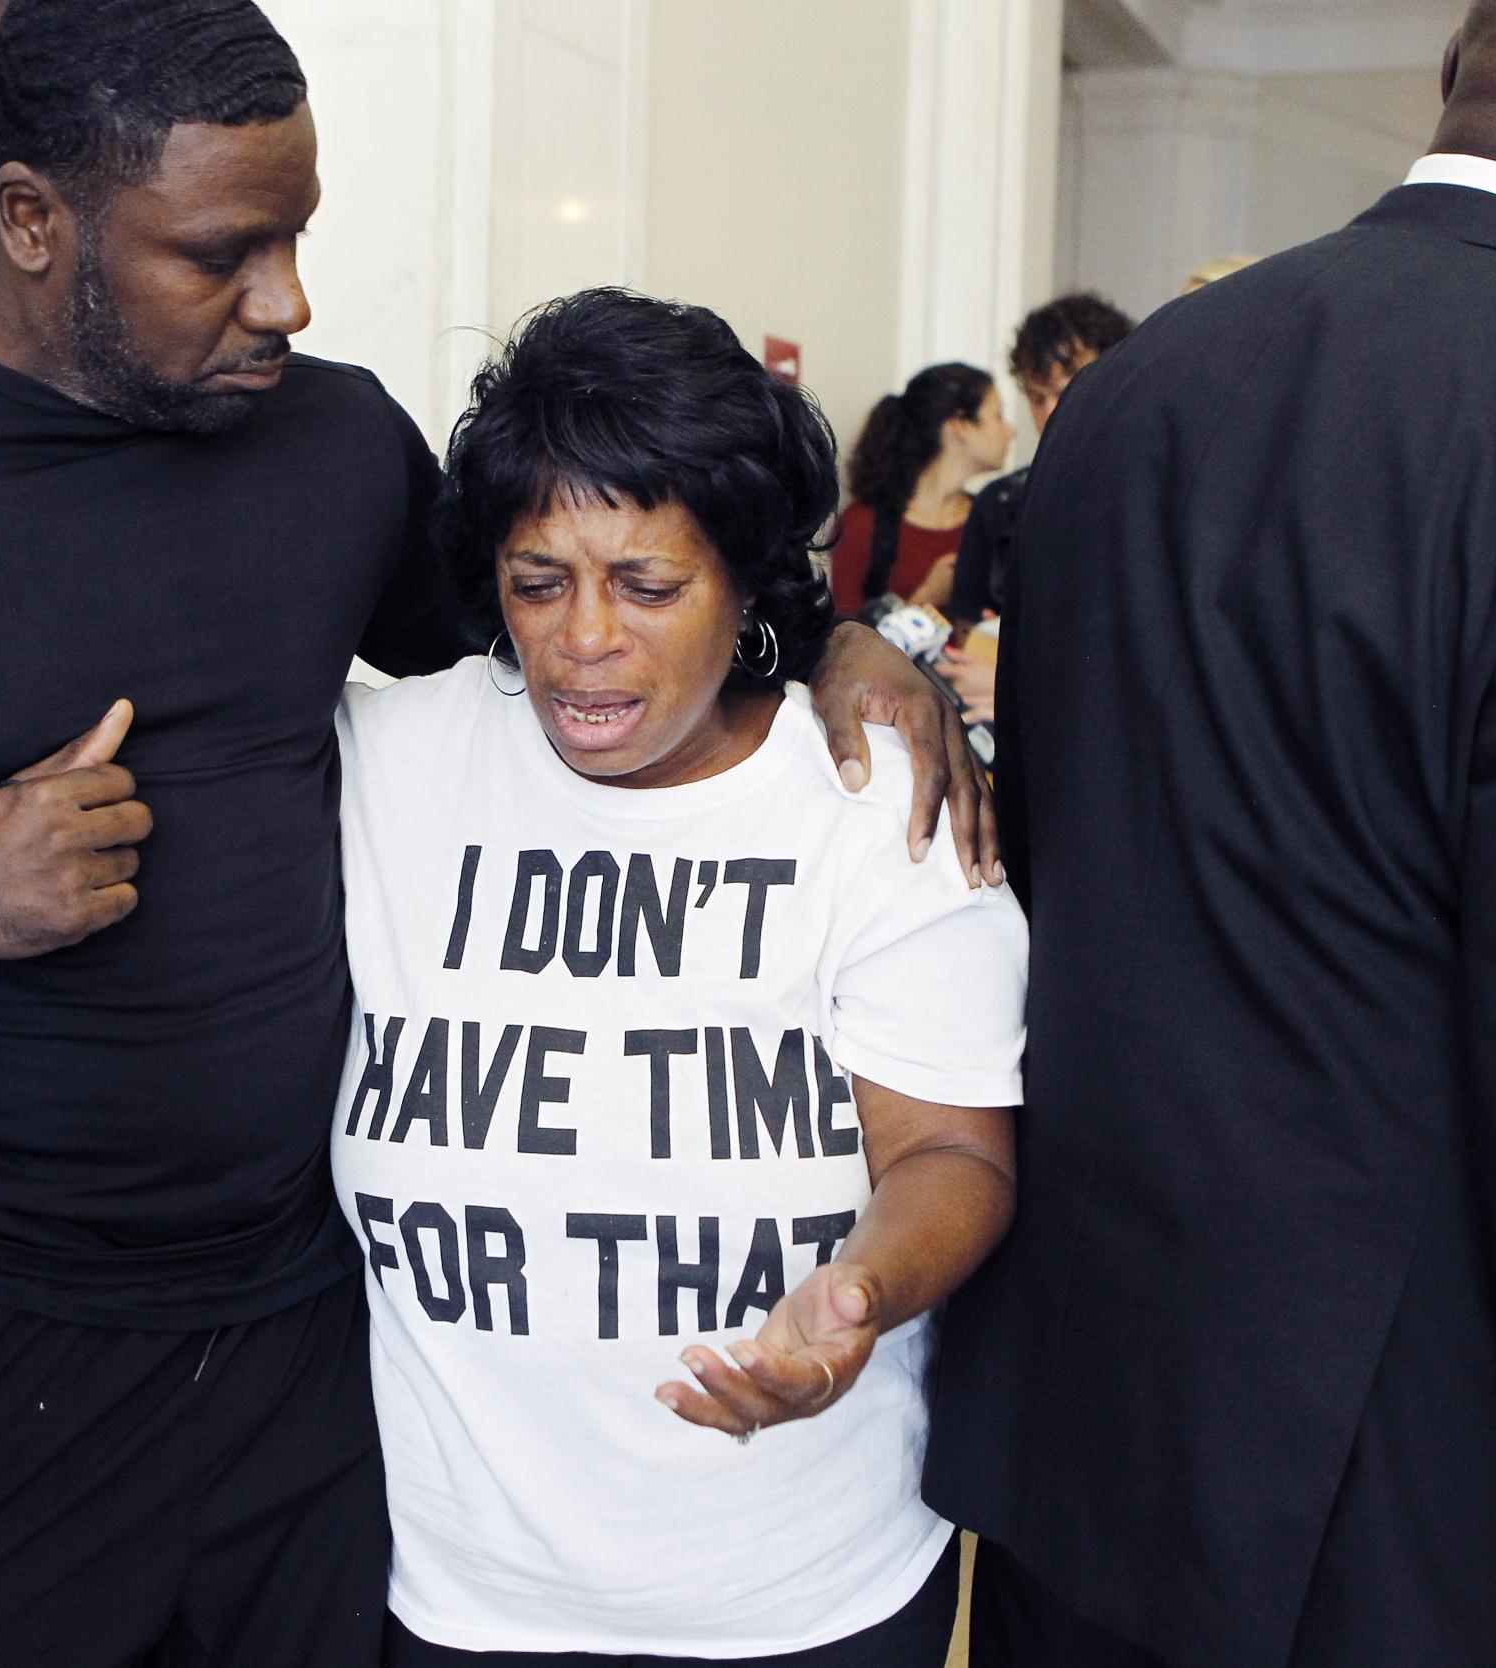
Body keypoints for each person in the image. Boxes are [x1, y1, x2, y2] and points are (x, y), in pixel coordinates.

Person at [0, 2, 992, 1660]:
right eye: (224, 253)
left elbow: (582, 648)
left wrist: (848, 644)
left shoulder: (332, 443)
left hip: (312, 1352)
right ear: (34, 218)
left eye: (296, 237)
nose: (287, 299)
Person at [929, 4, 1496, 1665]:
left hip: (1087, 1396)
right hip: (1382, 1480)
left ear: (1450, 86)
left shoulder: (1133, 392)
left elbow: (1061, 856)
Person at [323, 288, 1023, 1665]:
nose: (586, 637)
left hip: (799, 1596)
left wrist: (860, 1298)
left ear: (748, 576)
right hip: (462, 1594)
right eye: (540, 582)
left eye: (648, 584)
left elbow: (953, 1150)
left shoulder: (869, 803)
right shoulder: (392, 762)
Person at [938, 293, 1137, 727]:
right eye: (1036, 397)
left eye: (1068, 391)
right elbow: (967, 632)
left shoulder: (1145, 497)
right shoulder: (999, 502)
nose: (1051, 412)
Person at [826, 363, 1012, 617]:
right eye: (998, 416)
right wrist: (927, 597)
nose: (1011, 432)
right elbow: (847, 646)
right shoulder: (863, 523)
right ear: (961, 425)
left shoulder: (994, 522)